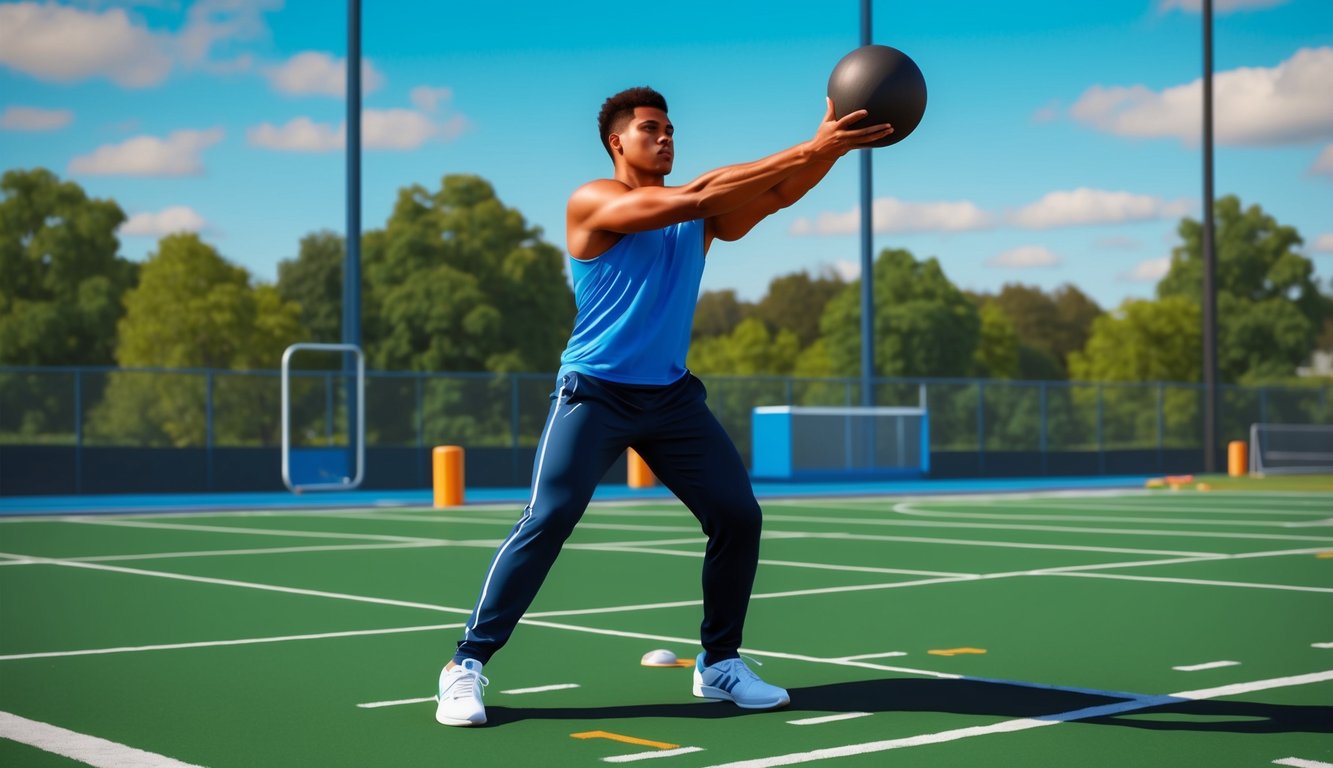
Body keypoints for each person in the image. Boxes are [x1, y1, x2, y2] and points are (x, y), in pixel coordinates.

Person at [435, 86, 892, 727]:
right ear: (618, 142)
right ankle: (466, 665)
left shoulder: (696, 214)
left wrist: (831, 151)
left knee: (738, 515)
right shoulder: (596, 200)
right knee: (550, 518)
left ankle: (720, 664)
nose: (666, 136)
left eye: (672, 128)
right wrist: (810, 145)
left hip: (672, 398)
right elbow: (700, 194)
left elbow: (778, 193)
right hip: (594, 392)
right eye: (651, 128)